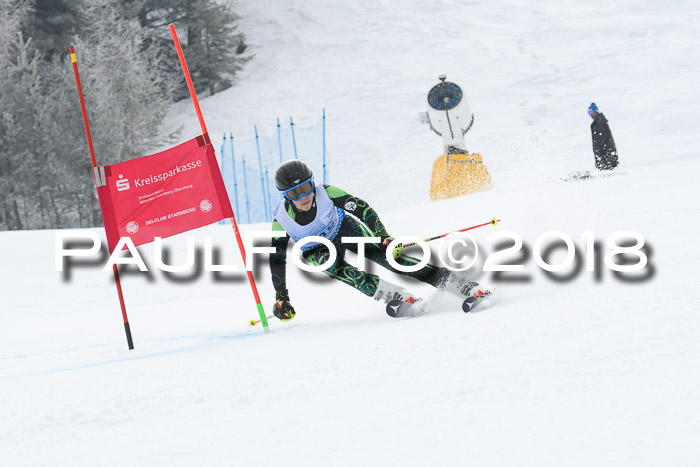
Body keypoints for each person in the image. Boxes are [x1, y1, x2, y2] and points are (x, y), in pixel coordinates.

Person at [268, 159, 485, 321]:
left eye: (305, 188)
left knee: (390, 258)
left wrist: (383, 237)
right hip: (316, 248)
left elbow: (362, 208)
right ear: (285, 195)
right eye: (293, 193)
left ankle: (460, 285)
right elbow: (276, 259)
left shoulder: (327, 193)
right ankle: (393, 294)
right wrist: (282, 297)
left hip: (342, 228)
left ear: (312, 183)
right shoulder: (282, 220)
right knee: (338, 268)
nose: (302, 197)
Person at [588, 102, 619, 170]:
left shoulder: (600, 122)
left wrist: (607, 161)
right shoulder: (596, 123)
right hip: (603, 158)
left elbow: (604, 142)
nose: (591, 114)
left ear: (596, 111)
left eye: (592, 112)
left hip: (608, 158)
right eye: (589, 113)